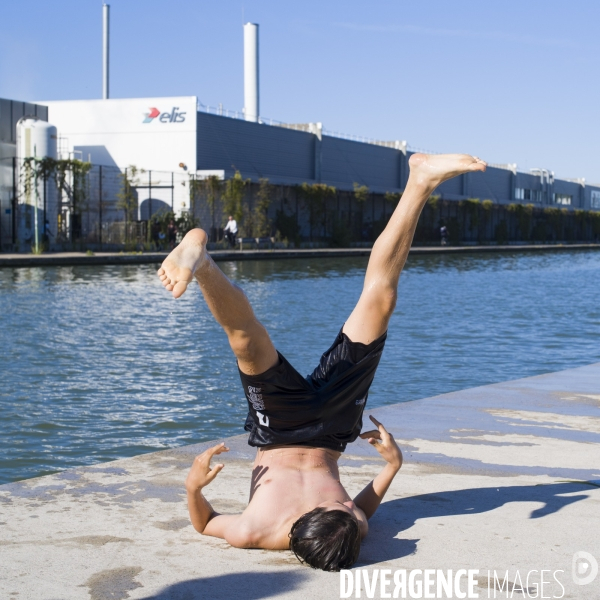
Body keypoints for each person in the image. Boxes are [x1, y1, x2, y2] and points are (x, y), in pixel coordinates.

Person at [157, 153, 487, 571]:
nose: (348, 506)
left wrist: (192, 489)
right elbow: (367, 506)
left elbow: (205, 525)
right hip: (334, 427)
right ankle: (419, 181)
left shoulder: (255, 530)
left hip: (278, 428)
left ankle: (200, 261)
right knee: (381, 299)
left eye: (341, 508)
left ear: (299, 529)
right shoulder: (352, 527)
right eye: (347, 510)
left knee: (247, 340)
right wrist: (392, 467)